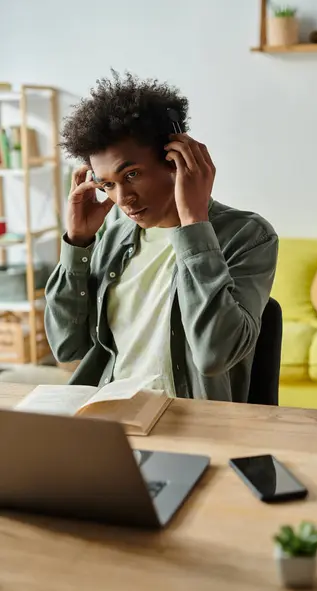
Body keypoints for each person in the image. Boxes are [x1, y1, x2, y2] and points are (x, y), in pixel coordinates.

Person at [45, 70, 278, 403]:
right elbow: (67, 346)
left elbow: (215, 355)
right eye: (108, 184)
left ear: (175, 159)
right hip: (112, 416)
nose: (123, 199)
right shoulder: (113, 237)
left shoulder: (247, 236)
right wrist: (77, 244)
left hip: (195, 425)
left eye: (133, 174)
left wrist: (194, 223)